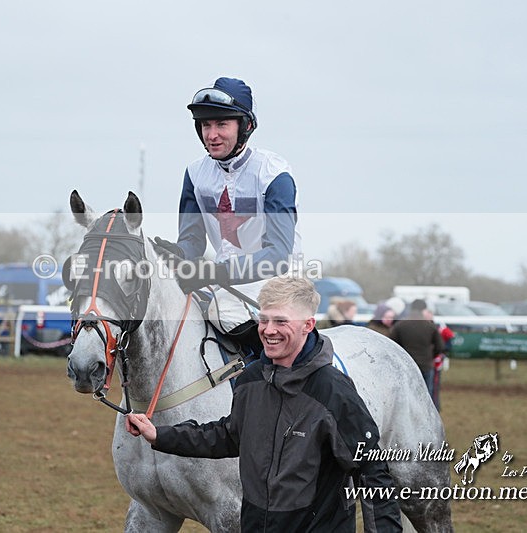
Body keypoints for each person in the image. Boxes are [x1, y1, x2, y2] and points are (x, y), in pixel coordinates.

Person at [125, 276, 402, 531]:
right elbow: (229, 435)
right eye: (264, 320)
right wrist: (159, 434)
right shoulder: (252, 378)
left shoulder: (333, 390)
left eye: (281, 321)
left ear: (308, 325)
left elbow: (372, 473)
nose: (269, 331)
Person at [152, 77, 302, 355]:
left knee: (223, 312)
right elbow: (192, 242)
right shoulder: (195, 174)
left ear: (245, 126)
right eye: (206, 125)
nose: (212, 135)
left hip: (281, 283)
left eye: (222, 124)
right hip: (224, 283)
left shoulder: (273, 173)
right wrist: (176, 254)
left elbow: (278, 256)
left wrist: (213, 272)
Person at [389, 299, 444, 400]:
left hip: (406, 367)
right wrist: (430, 356)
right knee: (426, 398)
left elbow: (392, 345)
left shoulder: (400, 326)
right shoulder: (430, 326)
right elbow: (440, 347)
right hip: (426, 366)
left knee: (408, 398)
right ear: (423, 310)